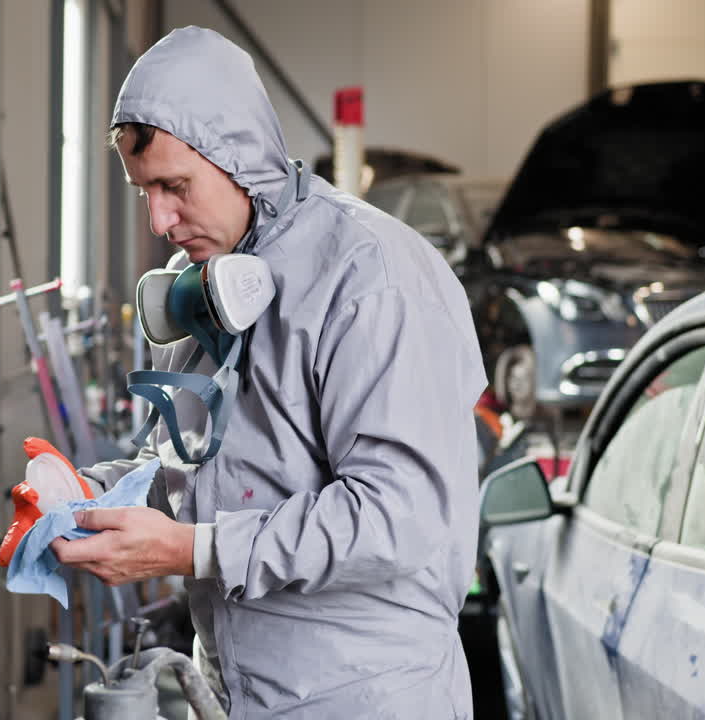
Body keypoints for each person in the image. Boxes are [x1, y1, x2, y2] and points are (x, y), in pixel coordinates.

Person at [50, 26, 486, 718]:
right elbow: (187, 469)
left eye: (175, 186)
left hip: (365, 698)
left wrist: (193, 549)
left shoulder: (371, 276)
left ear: (239, 158)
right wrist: (85, 496)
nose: (161, 219)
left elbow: (398, 514)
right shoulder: (200, 284)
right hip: (234, 691)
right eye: (144, 192)